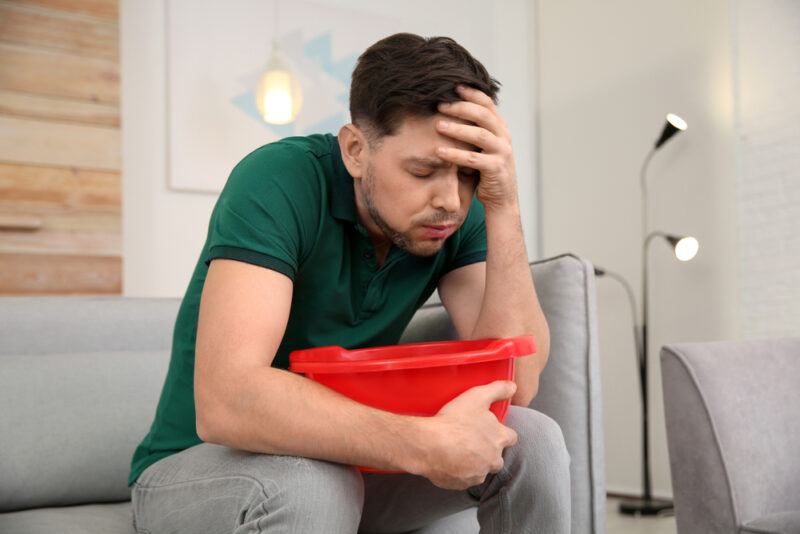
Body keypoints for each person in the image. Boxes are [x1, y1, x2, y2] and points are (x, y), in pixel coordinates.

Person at [129, 32, 570, 533]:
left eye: (467, 173)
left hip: (351, 465)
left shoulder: (455, 211)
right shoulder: (279, 180)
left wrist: (503, 203)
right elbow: (227, 401)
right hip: (200, 467)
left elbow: (520, 382)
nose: (450, 199)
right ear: (356, 150)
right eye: (423, 170)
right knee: (312, 483)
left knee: (532, 438)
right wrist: (422, 443)